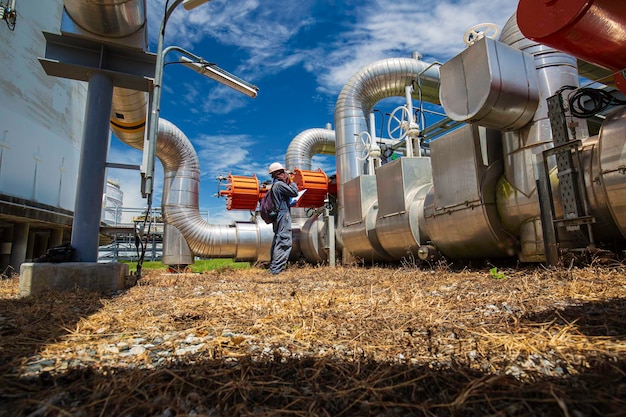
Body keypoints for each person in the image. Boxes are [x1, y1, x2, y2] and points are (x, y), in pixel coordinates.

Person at [267, 162, 299, 274]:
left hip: (279, 214)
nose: (285, 174)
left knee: (278, 240)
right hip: (283, 213)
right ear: (278, 173)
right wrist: (293, 181)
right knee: (284, 240)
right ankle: (275, 270)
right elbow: (294, 193)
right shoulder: (279, 185)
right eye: (283, 172)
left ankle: (273, 268)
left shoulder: (275, 185)